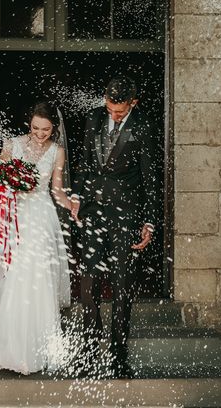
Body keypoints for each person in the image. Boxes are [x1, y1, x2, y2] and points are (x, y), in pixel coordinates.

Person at [71, 76, 159, 378]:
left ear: (132, 103)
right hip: (93, 212)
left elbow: (150, 176)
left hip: (127, 215)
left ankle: (119, 353)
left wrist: (148, 221)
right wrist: (76, 197)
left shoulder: (144, 125)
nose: (114, 116)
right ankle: (90, 350)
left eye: (120, 112)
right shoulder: (93, 117)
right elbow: (84, 161)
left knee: (123, 285)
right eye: (110, 109)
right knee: (88, 282)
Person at [0, 101, 73, 374]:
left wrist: (72, 205)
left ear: (53, 128)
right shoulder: (11, 145)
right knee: (16, 277)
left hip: (42, 217)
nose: (40, 133)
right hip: (15, 216)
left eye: (45, 129)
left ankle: (40, 350)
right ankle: (10, 348)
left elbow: (56, 191)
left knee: (39, 279)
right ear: (28, 124)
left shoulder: (57, 151)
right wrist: (9, 189)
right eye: (35, 128)